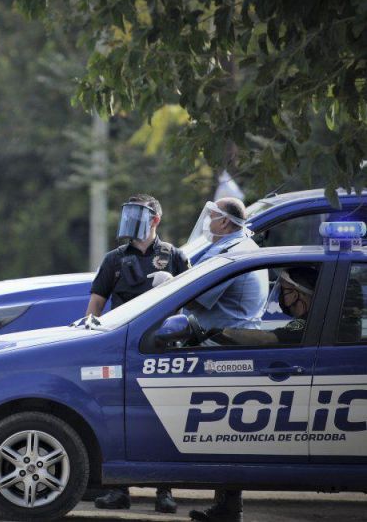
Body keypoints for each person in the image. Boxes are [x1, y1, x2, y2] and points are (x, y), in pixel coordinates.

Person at [188, 266, 318, 522]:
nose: (282, 296)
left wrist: (220, 333)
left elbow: (269, 339)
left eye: (287, 290)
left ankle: (229, 507)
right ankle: (228, 508)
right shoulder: (312, 323)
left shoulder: (306, 325)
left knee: (232, 430)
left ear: (300, 295)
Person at [86, 194, 190, 514]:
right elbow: (95, 308)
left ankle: (164, 490)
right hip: (122, 350)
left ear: (155, 219)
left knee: (162, 421)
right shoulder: (114, 259)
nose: (131, 219)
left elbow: (191, 305)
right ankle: (118, 490)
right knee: (120, 420)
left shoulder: (174, 256)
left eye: (140, 214)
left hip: (162, 350)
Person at [185, 198, 269, 334]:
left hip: (222, 341)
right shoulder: (246, 245)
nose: (207, 221)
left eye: (211, 216)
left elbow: (190, 301)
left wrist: (168, 282)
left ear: (224, 222)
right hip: (239, 337)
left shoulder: (225, 254)